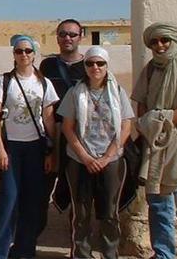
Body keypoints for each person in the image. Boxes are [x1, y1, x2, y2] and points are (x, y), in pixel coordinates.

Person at [0, 35, 59, 259]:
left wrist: (51, 151)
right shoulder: (4, 81)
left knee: (32, 202)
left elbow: (48, 118)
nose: (23, 55)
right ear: (14, 55)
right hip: (11, 148)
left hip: (35, 149)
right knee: (7, 199)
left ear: (35, 54)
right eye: (19, 51)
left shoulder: (44, 83)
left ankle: (24, 251)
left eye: (27, 51)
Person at [132, 22, 177, 259]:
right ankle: (164, 253)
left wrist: (155, 120)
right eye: (154, 42)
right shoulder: (150, 69)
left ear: (173, 41)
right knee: (159, 205)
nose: (160, 45)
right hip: (154, 147)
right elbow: (141, 103)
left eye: (164, 40)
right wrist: (148, 124)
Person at [56, 46, 134, 259]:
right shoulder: (75, 92)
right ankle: (81, 254)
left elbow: (126, 126)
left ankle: (110, 254)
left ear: (107, 66)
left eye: (100, 63)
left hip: (112, 160)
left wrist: (107, 157)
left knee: (110, 213)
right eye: (90, 63)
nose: (95, 67)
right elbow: (67, 127)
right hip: (79, 160)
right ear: (85, 66)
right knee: (81, 213)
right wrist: (86, 157)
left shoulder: (117, 92)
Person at [38, 19, 86, 217]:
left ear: (81, 37)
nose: (67, 38)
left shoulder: (90, 64)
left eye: (72, 34)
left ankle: (78, 238)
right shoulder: (47, 65)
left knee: (78, 188)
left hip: (79, 134)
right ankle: (32, 235)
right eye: (63, 34)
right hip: (53, 131)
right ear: (57, 37)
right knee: (42, 185)